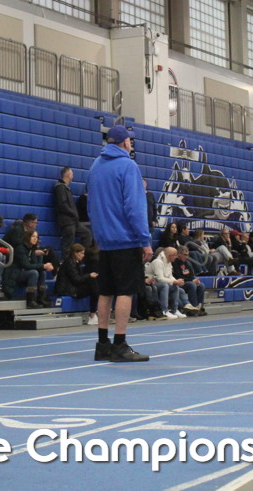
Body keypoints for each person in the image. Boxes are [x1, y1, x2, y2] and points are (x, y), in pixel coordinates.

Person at [88, 125, 152, 362]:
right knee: (125, 291)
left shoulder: (95, 166)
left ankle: (102, 344)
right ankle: (120, 344)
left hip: (104, 241)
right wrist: (144, 239)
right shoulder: (128, 166)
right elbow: (134, 207)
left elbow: (91, 205)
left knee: (105, 292)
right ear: (126, 143)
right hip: (125, 239)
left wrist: (99, 234)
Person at [6, 229, 52, 308]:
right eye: (33, 236)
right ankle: (30, 301)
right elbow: (26, 265)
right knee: (34, 273)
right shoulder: (20, 248)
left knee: (42, 273)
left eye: (36, 237)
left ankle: (41, 298)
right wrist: (43, 266)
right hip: (15, 273)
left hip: (25, 272)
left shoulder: (32, 249)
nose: (35, 239)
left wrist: (44, 267)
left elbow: (34, 264)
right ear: (28, 237)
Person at [55, 243, 99, 325]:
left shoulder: (75, 262)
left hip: (72, 286)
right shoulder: (69, 263)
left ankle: (93, 313)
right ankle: (93, 314)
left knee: (94, 285)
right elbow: (76, 280)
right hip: (67, 289)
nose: (83, 255)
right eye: (81, 253)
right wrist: (89, 275)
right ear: (75, 253)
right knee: (94, 287)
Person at [54, 167, 94, 252]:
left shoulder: (66, 188)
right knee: (67, 245)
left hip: (73, 221)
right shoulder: (60, 188)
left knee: (87, 234)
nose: (73, 177)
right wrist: (73, 213)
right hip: (67, 221)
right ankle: (67, 259)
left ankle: (81, 256)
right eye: (72, 174)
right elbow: (62, 204)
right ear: (68, 175)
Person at [172, 244, 207, 315]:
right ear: (179, 254)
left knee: (201, 285)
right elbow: (177, 276)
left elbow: (191, 274)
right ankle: (193, 308)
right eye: (185, 255)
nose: (187, 256)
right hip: (180, 283)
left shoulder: (187, 262)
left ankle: (200, 307)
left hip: (188, 281)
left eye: (187, 255)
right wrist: (191, 281)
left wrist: (195, 280)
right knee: (192, 285)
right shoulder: (174, 263)